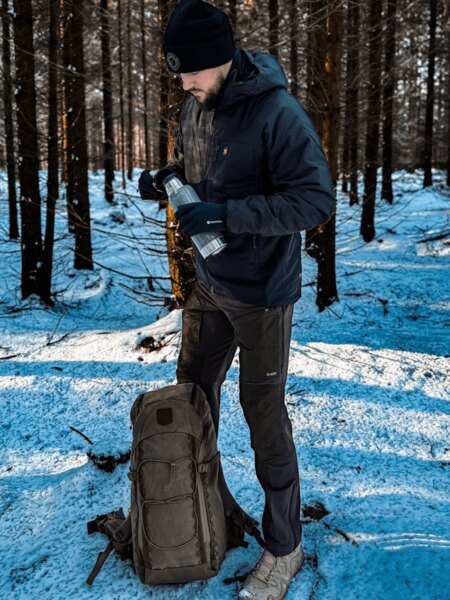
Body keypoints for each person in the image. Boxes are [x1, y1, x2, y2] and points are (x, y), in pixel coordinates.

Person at [139, 1, 335, 598]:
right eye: (178, 72)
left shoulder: (278, 114)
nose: (183, 82)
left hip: (263, 295)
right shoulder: (195, 107)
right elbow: (206, 175)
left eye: (191, 71)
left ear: (220, 58)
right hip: (210, 284)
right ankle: (210, 506)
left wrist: (228, 213)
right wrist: (169, 178)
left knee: (263, 418)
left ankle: (285, 547)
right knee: (193, 399)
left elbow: (314, 202)